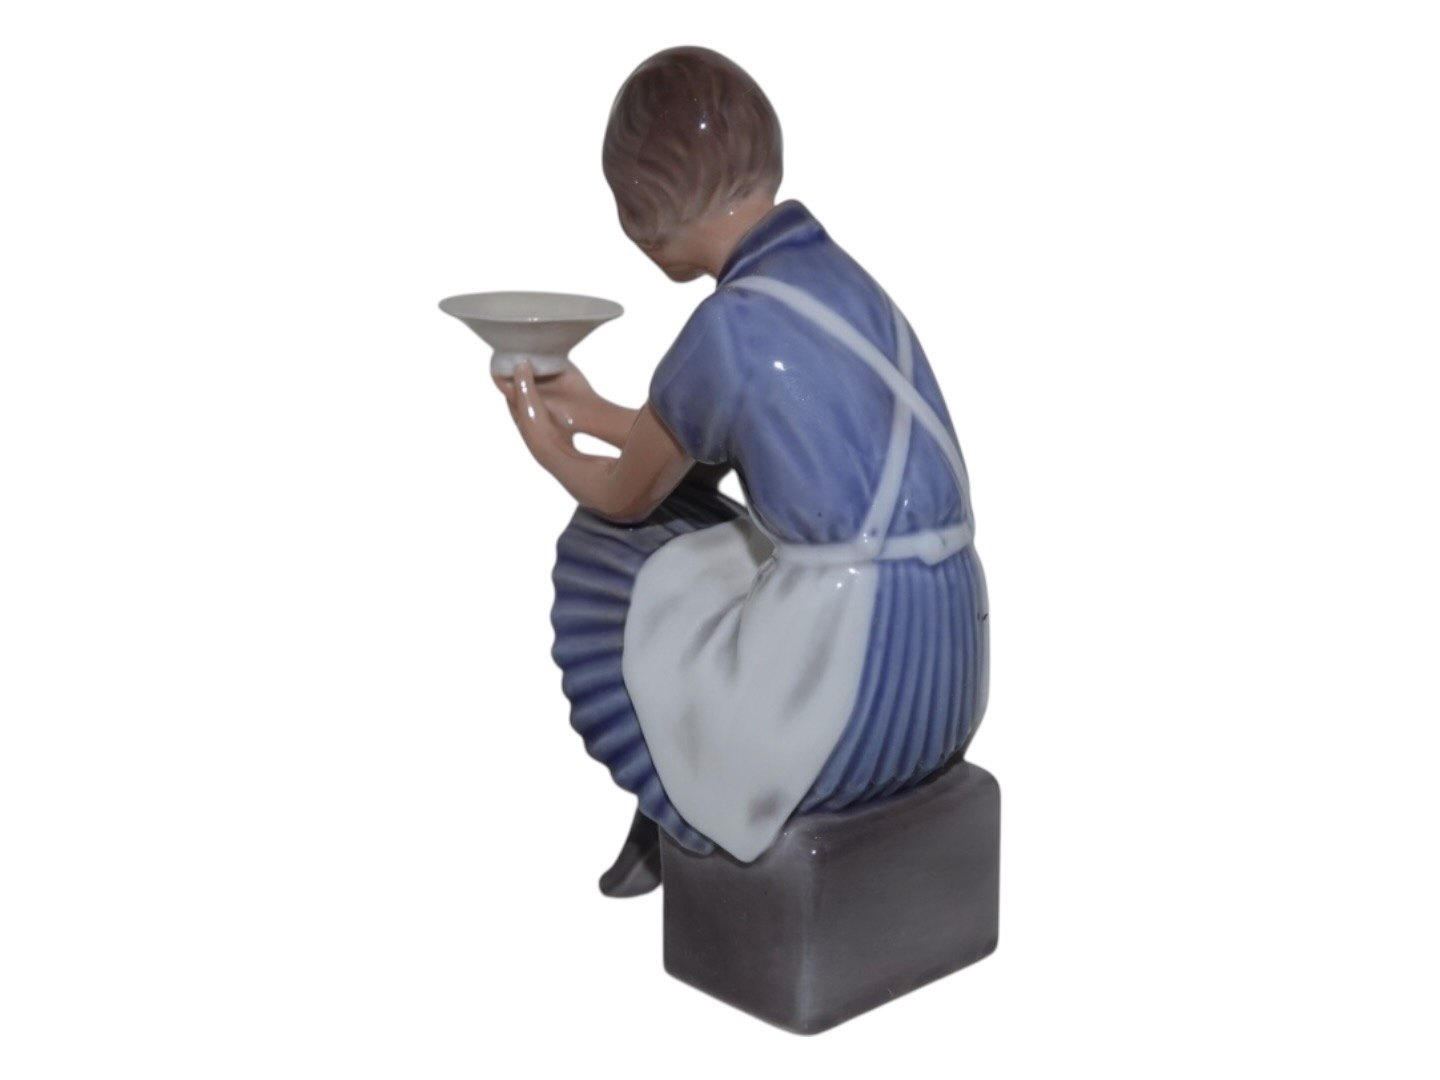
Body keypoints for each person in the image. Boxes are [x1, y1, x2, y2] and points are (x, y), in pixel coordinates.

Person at [495, 46, 989, 895]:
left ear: (646, 209)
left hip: (856, 708)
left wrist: (543, 439)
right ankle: (683, 795)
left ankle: (685, 822)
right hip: (949, 677)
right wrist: (590, 408)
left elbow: (627, 490)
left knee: (610, 559)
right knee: (706, 526)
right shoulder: (844, 280)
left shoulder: (725, 330)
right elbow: (695, 435)